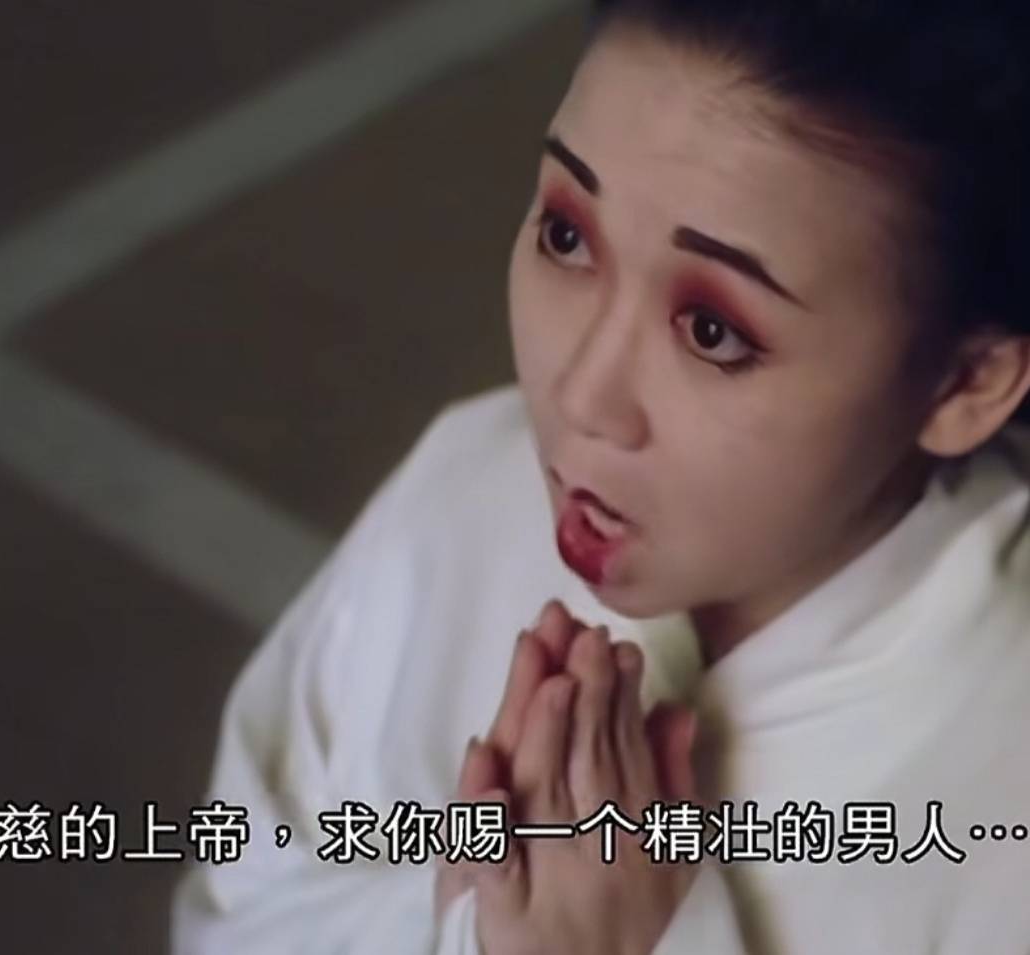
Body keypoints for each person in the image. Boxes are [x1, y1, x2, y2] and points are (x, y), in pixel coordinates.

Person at [171, 1, 1030, 952]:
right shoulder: (468, 485)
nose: (580, 396)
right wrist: (479, 925)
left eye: (713, 330)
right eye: (567, 236)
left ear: (966, 382)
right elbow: (232, 909)